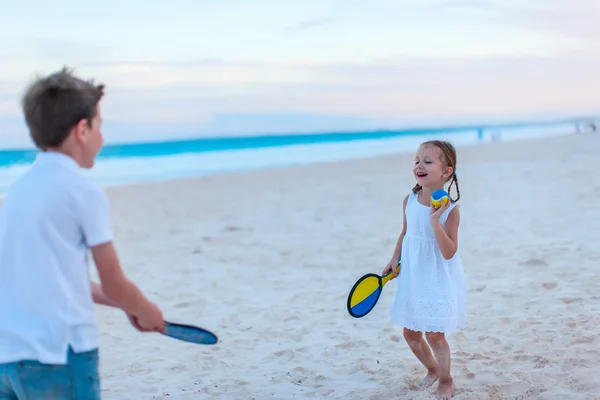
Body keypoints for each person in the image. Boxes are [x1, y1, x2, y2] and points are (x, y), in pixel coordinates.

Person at [0, 67, 165, 399]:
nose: (102, 138)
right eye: (99, 127)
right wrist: (148, 311)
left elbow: (57, 277)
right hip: (61, 356)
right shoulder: (81, 192)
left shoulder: (15, 194)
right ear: (82, 130)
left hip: (9, 358)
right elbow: (113, 281)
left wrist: (125, 306)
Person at [382, 140, 466, 400]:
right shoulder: (409, 200)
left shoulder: (450, 211)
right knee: (411, 333)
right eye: (417, 161)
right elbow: (406, 233)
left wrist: (435, 222)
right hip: (412, 275)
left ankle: (446, 378)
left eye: (428, 161)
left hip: (435, 277)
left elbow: (449, 251)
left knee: (435, 335)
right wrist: (394, 258)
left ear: (446, 172)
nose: (420, 165)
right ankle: (432, 369)